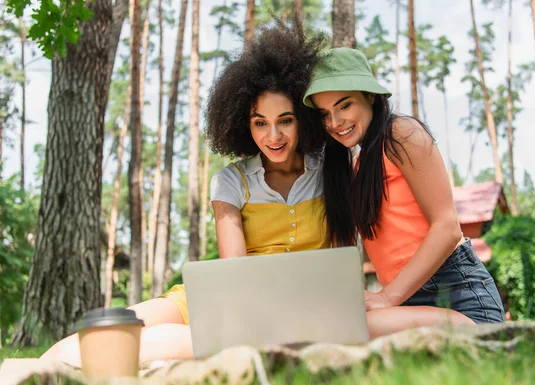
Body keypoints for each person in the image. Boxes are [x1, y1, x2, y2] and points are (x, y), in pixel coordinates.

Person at [40, 22, 328, 366]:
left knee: (141, 346)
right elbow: (235, 271)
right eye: (260, 122)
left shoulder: (330, 172)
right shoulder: (232, 181)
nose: (273, 135)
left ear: (304, 119)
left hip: (298, 307)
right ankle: (31, 373)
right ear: (243, 124)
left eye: (286, 120)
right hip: (235, 298)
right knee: (107, 330)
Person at [303, 48, 505, 338]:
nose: (335, 122)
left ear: (370, 96)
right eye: (325, 114)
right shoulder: (355, 168)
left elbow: (447, 228)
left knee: (349, 329)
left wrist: (386, 298)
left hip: (460, 300)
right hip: (406, 307)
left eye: (344, 106)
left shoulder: (401, 134)